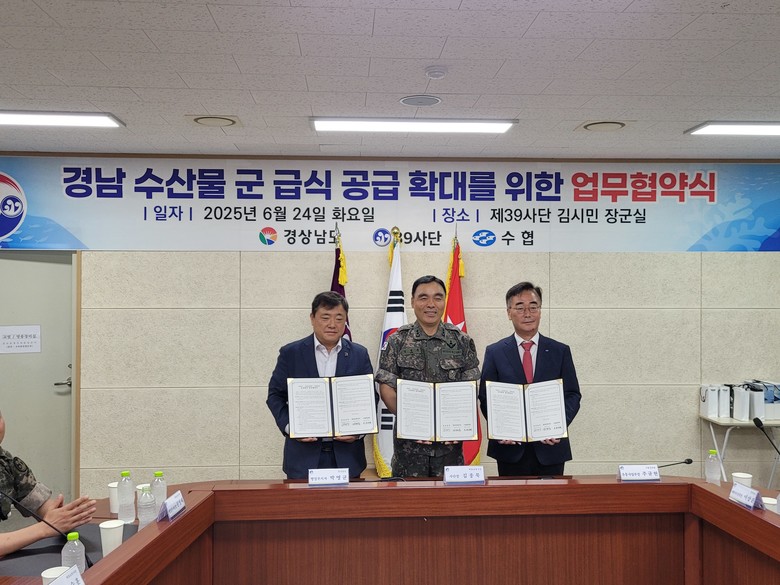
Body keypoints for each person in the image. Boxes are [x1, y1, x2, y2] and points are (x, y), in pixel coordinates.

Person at [376, 275, 480, 478]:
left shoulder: (461, 341)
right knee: (410, 496)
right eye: (423, 297)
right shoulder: (397, 340)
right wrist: (412, 421)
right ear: (412, 301)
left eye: (438, 297)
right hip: (409, 450)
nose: (431, 304)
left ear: (444, 301)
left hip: (450, 449)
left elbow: (470, 387)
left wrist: (456, 421)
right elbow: (386, 387)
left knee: (449, 497)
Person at [267, 291, 374, 479]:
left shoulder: (359, 354)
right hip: (302, 457)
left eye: (339, 318)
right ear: (312, 318)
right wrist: (291, 428)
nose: (332, 324)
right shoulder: (291, 353)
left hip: (348, 457)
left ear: (345, 321)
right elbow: (275, 396)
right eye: (325, 317)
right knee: (301, 500)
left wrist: (359, 432)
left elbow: (371, 397)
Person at [479, 282, 581, 476]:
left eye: (533, 307)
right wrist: (500, 428)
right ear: (509, 313)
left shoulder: (560, 351)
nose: (527, 313)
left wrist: (558, 426)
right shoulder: (495, 352)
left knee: (552, 496)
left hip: (551, 448)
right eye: (520, 307)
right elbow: (485, 397)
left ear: (540, 311)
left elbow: (572, 394)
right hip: (510, 449)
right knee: (512, 496)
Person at [0, 409, 96, 557]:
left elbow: (40, 505)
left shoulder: (6, 463)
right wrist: (45, 529)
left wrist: (60, 514)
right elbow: (47, 526)